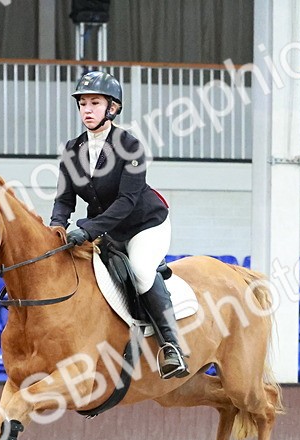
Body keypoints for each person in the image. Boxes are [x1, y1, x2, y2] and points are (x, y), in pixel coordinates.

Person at [49, 70, 188, 379]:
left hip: (144, 225)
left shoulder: (130, 145)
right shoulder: (72, 150)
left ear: (112, 108)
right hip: (106, 231)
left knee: (140, 270)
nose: (87, 109)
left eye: (94, 103)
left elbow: (126, 201)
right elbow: (64, 200)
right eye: (82, 103)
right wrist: (56, 228)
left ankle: (171, 346)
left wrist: (88, 229)